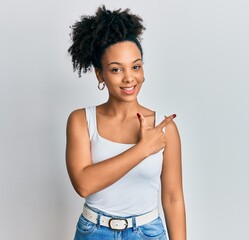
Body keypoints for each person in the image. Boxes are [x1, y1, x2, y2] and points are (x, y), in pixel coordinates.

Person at [66, 5, 186, 240]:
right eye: (116, 69)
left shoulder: (164, 128)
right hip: (93, 232)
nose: (129, 77)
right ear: (100, 75)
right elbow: (84, 184)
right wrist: (142, 150)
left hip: (148, 232)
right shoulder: (81, 120)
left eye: (136, 66)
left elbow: (173, 197)